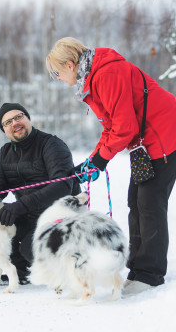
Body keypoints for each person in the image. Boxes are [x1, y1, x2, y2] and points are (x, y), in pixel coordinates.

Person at [45, 37, 176, 296]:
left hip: (165, 136)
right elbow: (111, 125)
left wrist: (102, 159)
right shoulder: (94, 77)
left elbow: (124, 127)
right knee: (135, 202)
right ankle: (138, 269)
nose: (58, 78)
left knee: (149, 204)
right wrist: (93, 160)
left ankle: (150, 274)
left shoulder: (106, 73)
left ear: (70, 65)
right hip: (146, 144)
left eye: (58, 72)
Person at [0, 102, 80, 284]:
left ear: (28, 118)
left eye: (19, 117)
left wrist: (22, 205)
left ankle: (71, 266)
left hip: (61, 215)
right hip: (28, 214)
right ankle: (21, 269)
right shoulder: (5, 153)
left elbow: (63, 186)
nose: (15, 123)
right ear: (4, 130)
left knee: (29, 247)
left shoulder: (51, 144)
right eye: (8, 122)